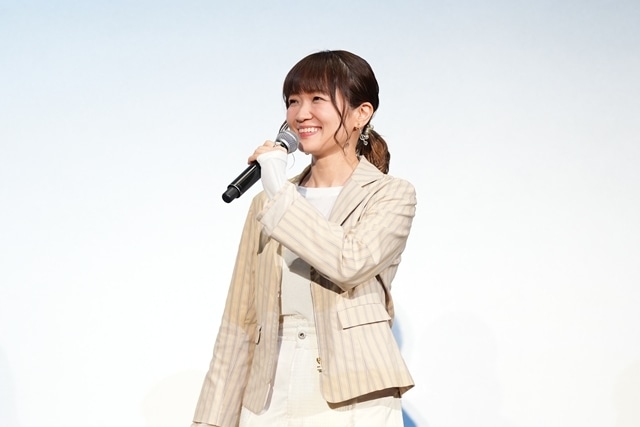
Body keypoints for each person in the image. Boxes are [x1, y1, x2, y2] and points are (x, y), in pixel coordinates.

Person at [191, 50, 417, 427]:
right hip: (268, 394)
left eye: (317, 99)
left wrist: (279, 190)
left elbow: (349, 262)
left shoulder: (390, 194)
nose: (301, 113)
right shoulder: (268, 202)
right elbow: (240, 321)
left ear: (362, 113)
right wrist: (211, 421)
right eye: (293, 101)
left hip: (353, 395)